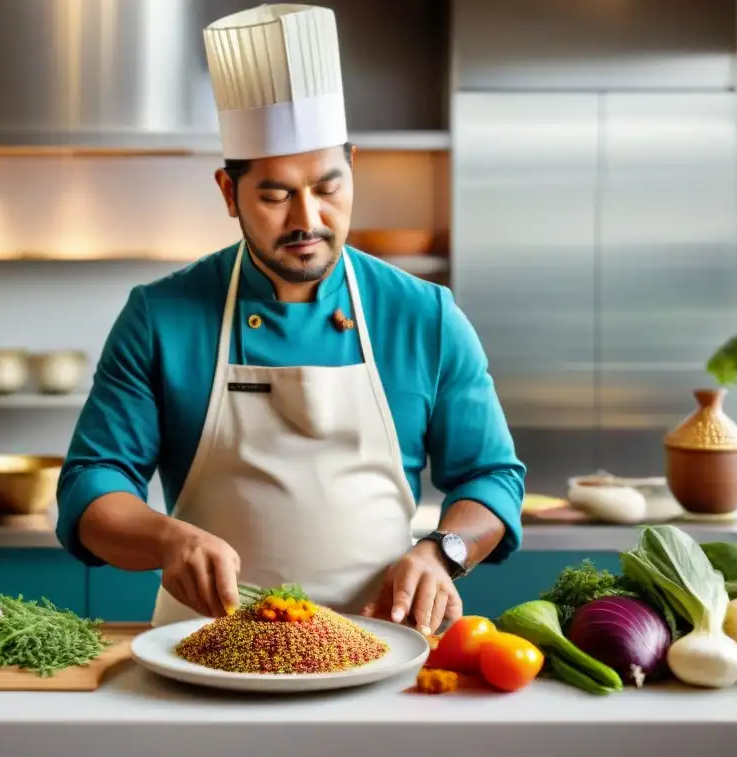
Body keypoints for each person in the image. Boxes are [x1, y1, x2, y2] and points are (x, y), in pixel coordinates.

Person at [55, 3, 526, 636]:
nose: (308, 218)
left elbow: (490, 477)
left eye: (329, 188)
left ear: (352, 168)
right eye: (275, 195)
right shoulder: (161, 316)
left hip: (384, 643)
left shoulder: (424, 315)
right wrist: (167, 540)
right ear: (229, 192)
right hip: (204, 648)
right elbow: (93, 483)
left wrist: (444, 549)